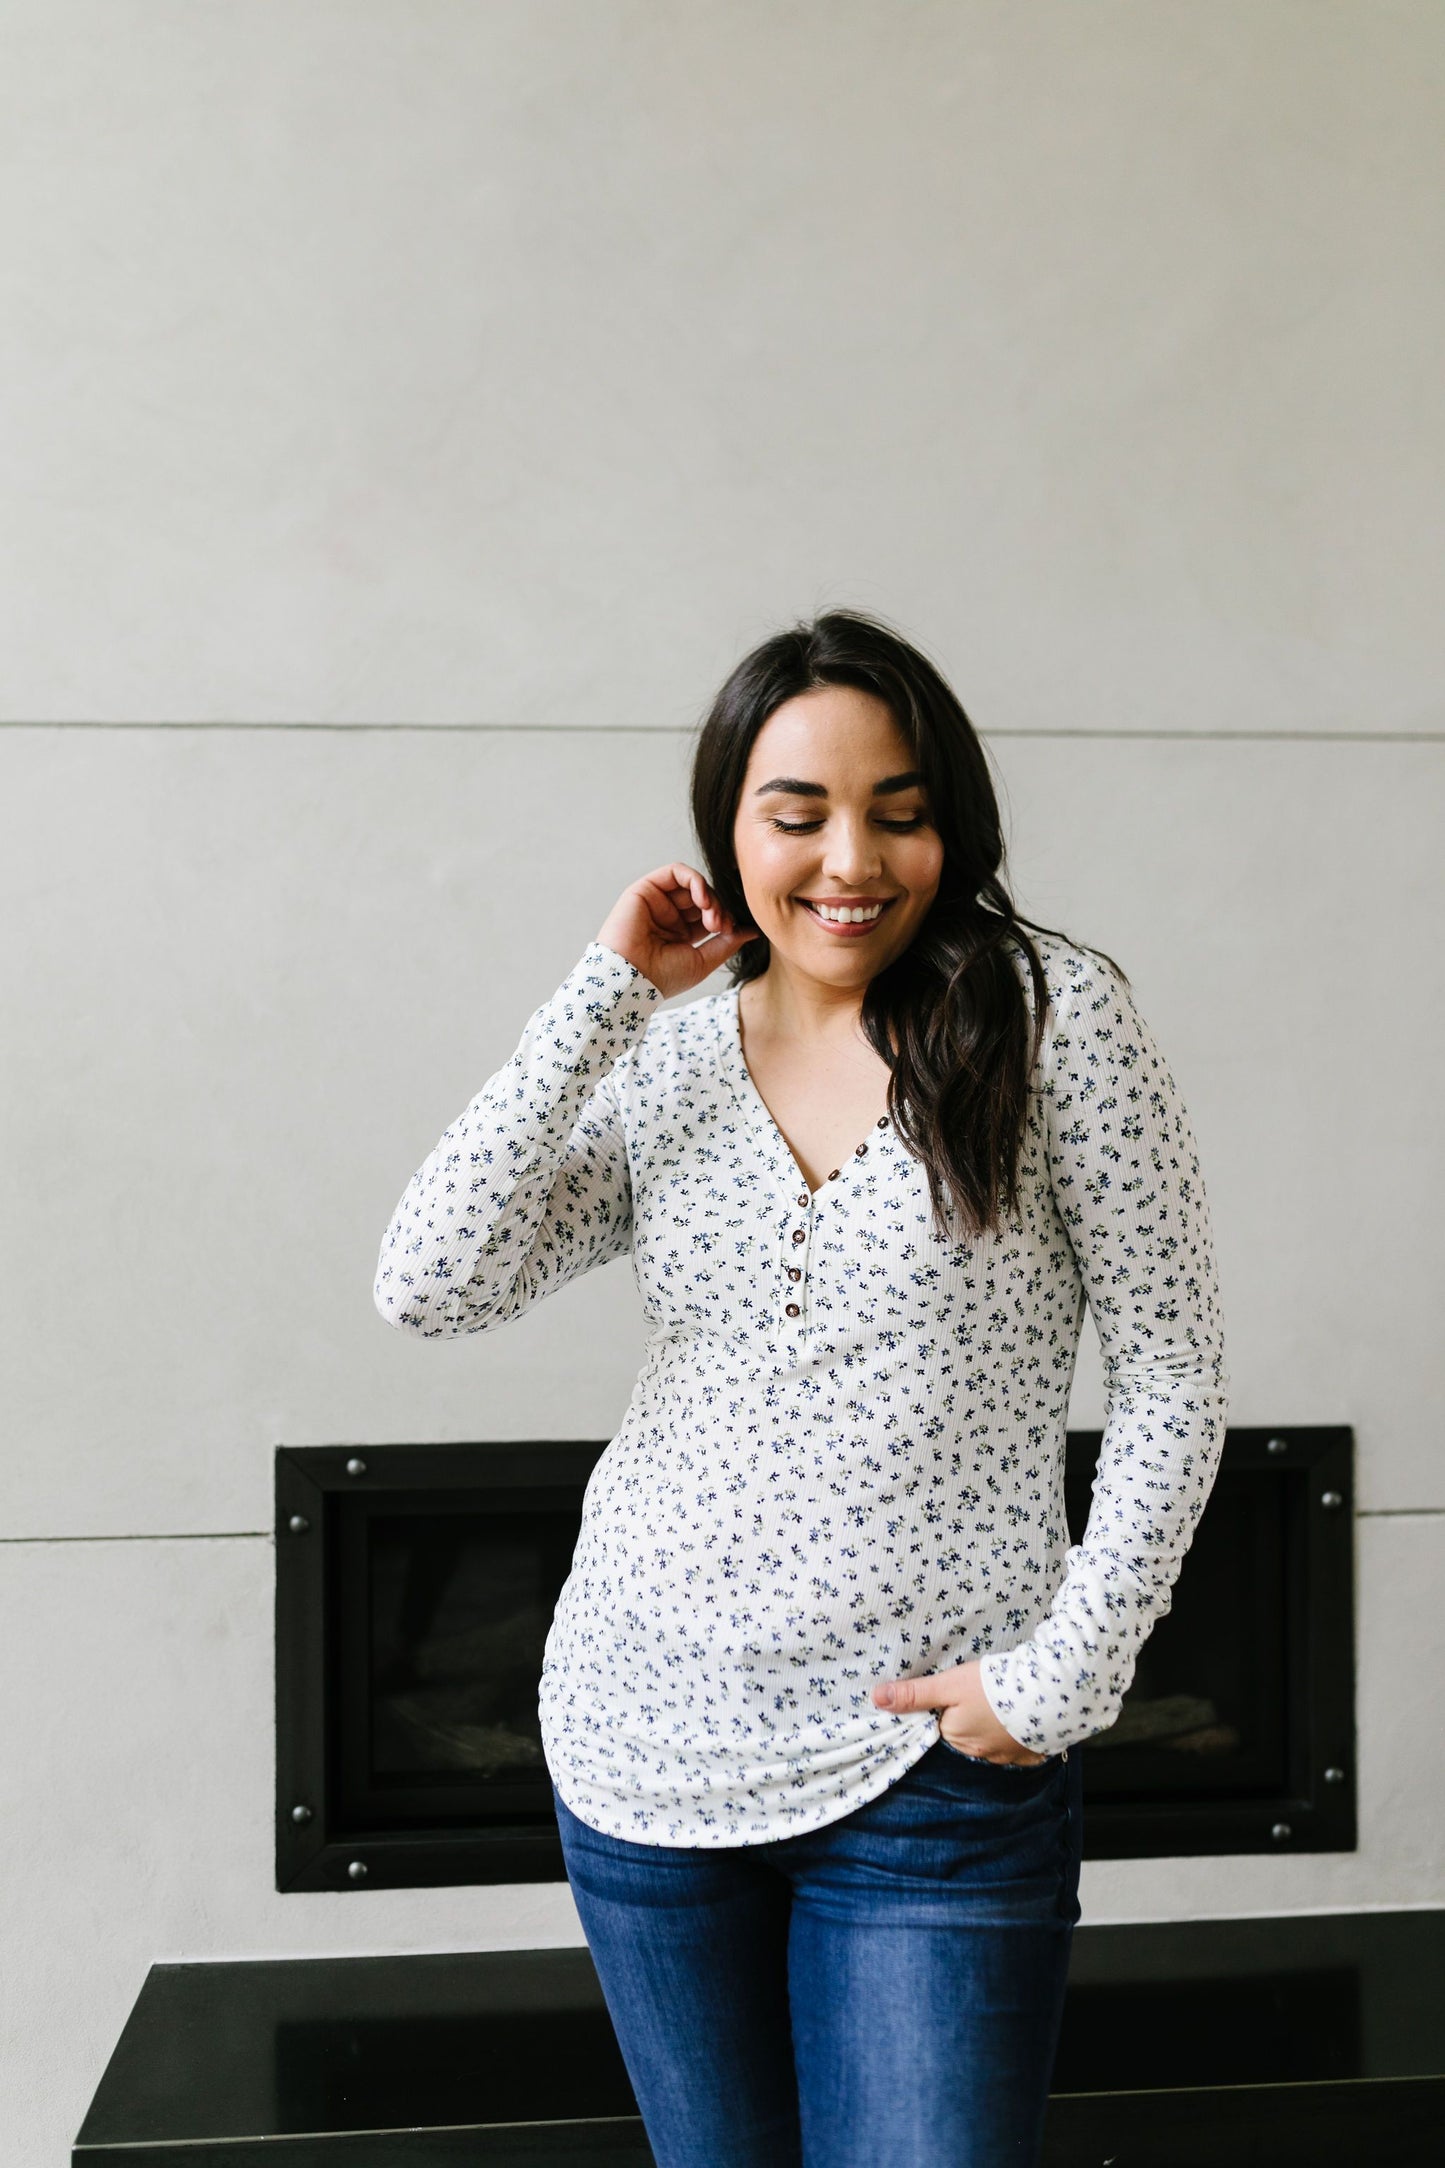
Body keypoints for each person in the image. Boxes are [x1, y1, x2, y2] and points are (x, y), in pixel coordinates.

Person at [374, 609, 1229, 2167]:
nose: (852, 861)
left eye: (898, 815)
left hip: (929, 1779)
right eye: (799, 814)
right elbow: (431, 1284)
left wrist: (1068, 1670)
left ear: (948, 827)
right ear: (729, 829)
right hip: (645, 1748)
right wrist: (600, 999)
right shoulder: (666, 1060)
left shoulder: (1051, 1023)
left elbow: (1171, 1359)